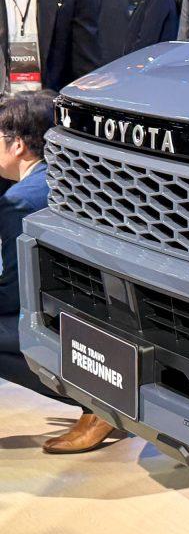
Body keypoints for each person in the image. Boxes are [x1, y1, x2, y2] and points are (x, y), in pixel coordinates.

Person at [0, 92, 117, 454]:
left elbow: (13, 293)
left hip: (74, 321)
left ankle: (95, 403)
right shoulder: (69, 177)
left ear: (18, 145)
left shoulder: (20, 200)